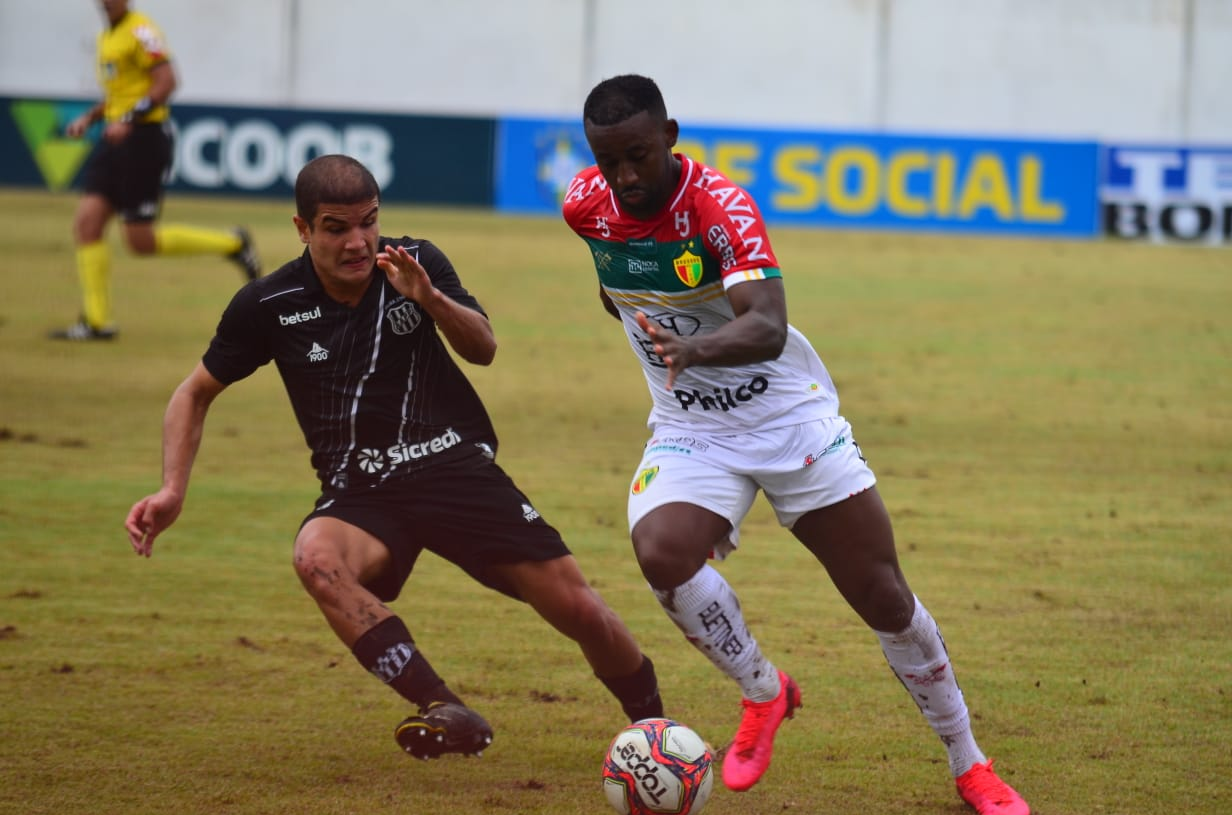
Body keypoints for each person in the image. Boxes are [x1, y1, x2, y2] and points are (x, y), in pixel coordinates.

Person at [562, 74, 1030, 814]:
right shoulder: (585, 206)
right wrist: (655, 337)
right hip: (693, 431)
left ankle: (971, 763)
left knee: (883, 594)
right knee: (661, 553)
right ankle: (764, 691)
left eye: (639, 157)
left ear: (671, 136)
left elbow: (768, 323)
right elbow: (614, 285)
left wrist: (694, 350)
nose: (624, 177)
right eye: (607, 159)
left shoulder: (721, 207)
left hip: (790, 421)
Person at [124, 153, 663, 759]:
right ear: (303, 229)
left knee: (579, 609)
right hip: (363, 491)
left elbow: (483, 348)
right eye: (336, 227)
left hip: (452, 467)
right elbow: (193, 392)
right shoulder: (268, 304)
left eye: (368, 222)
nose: (358, 242)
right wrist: (172, 489)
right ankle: (443, 707)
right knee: (316, 558)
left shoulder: (415, 263)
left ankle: (657, 729)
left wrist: (430, 298)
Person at [52, 0, 260, 341]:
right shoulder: (108, 35)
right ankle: (97, 322)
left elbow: (166, 81)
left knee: (140, 240)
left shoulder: (140, 30)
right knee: (87, 224)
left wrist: (130, 120)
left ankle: (232, 243)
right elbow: (122, 94)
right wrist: (90, 117)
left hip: (143, 139)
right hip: (114, 138)